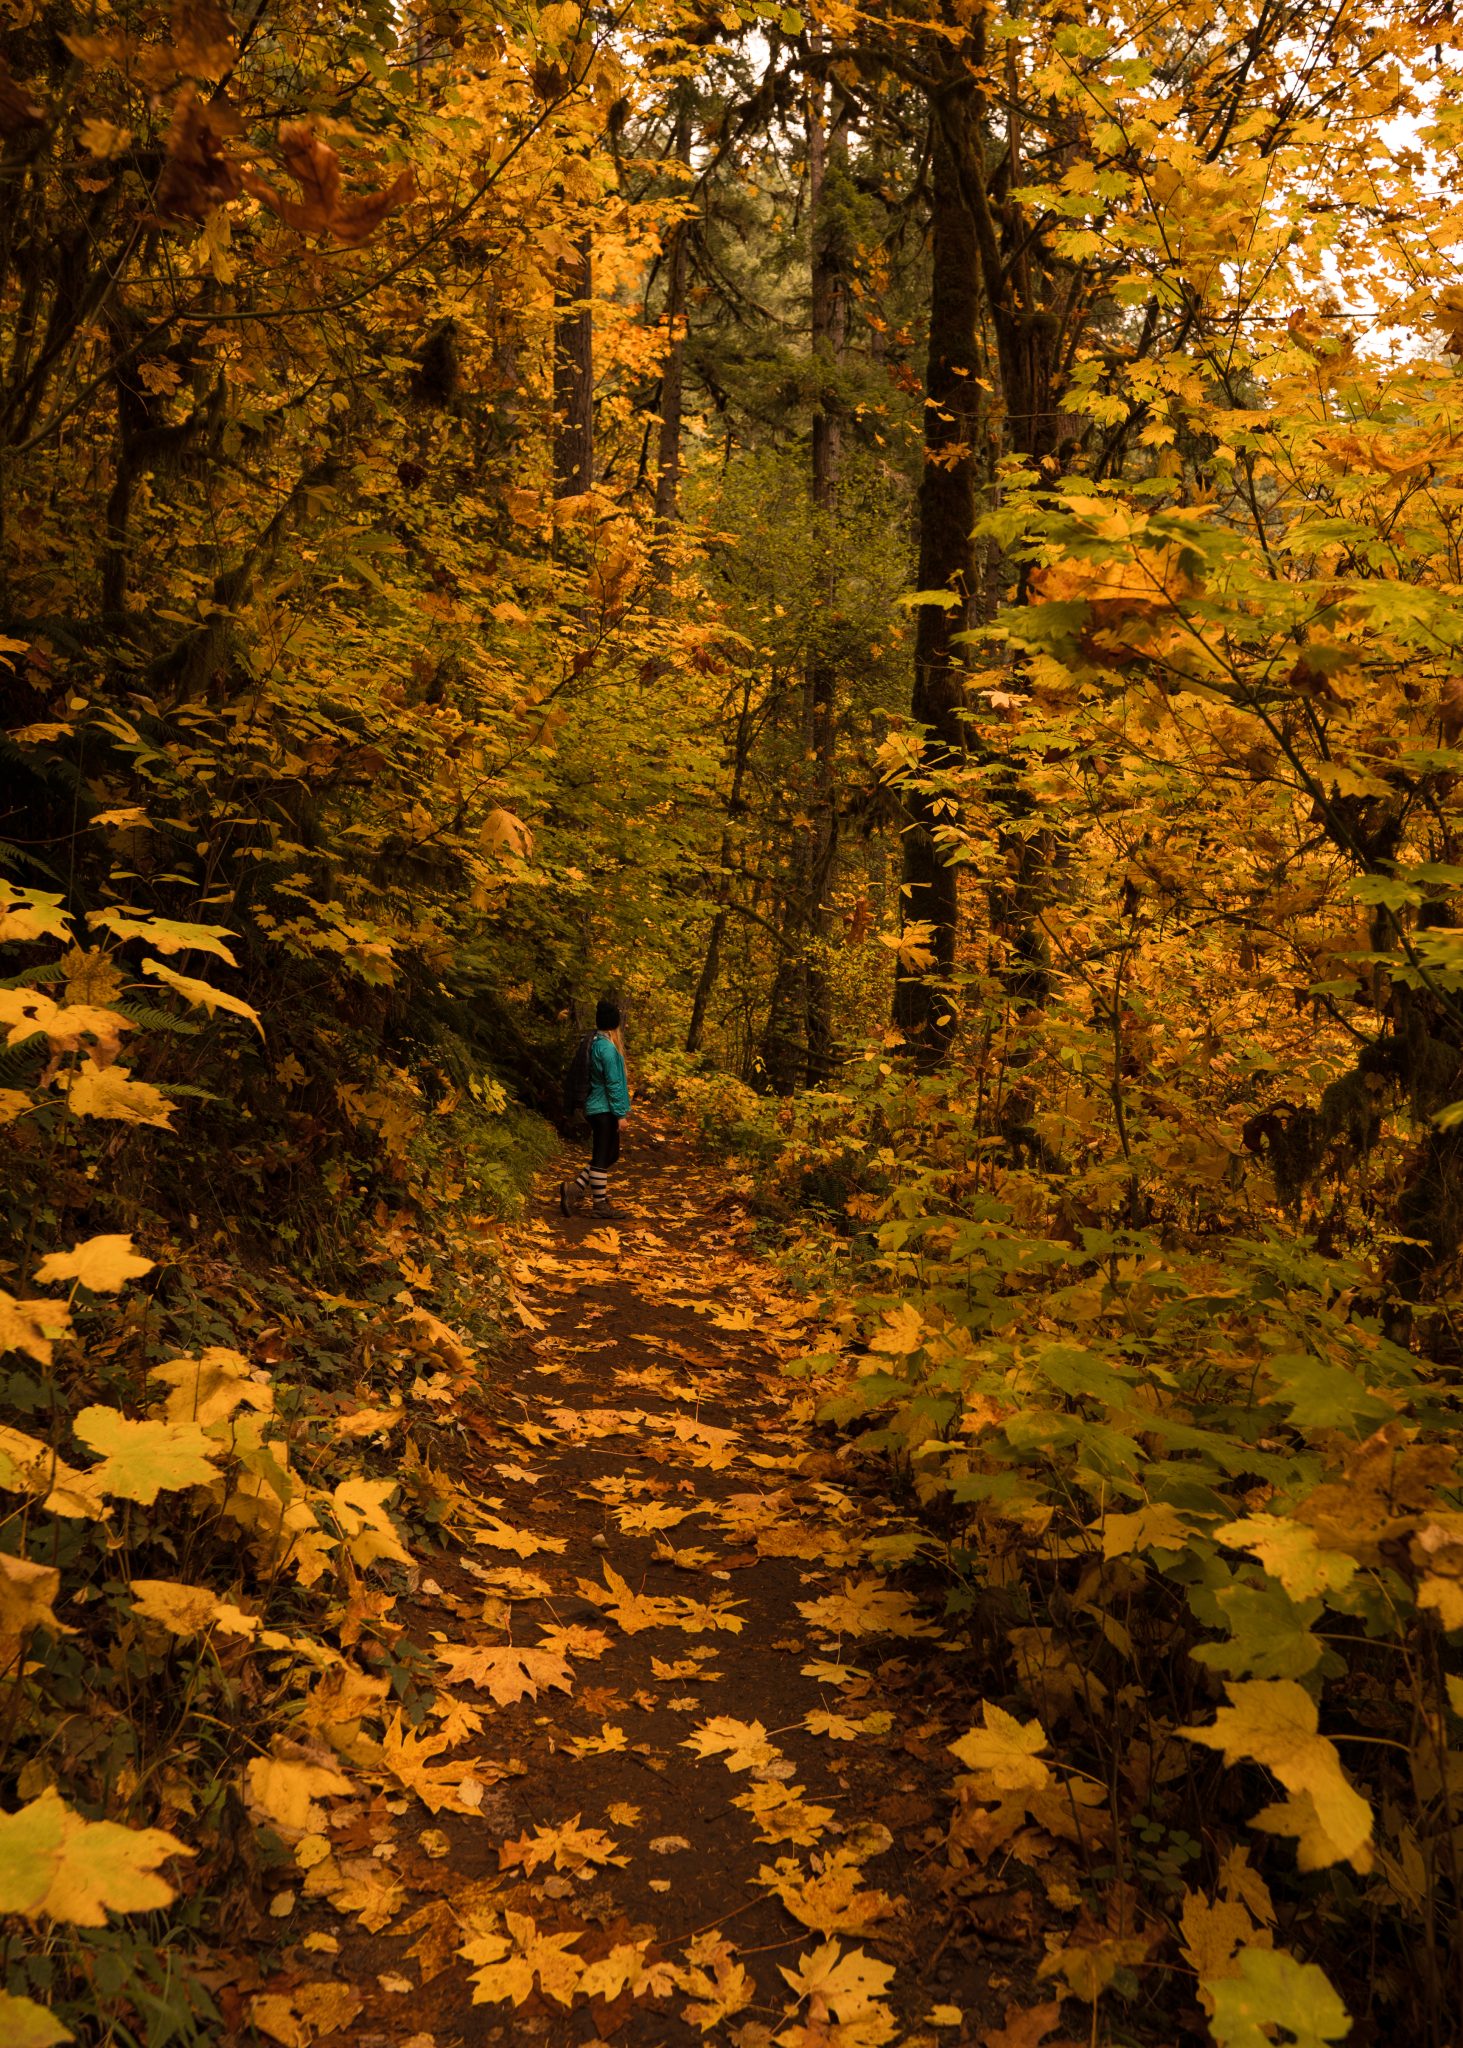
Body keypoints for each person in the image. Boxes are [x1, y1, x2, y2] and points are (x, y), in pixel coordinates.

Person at [561, 999, 631, 1218]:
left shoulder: (596, 1042)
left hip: (600, 1108)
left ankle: (574, 1188)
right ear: (614, 1024)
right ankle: (599, 1205)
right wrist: (620, 1114)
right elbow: (613, 1084)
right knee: (602, 1156)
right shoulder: (607, 1049)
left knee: (610, 1155)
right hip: (603, 1110)